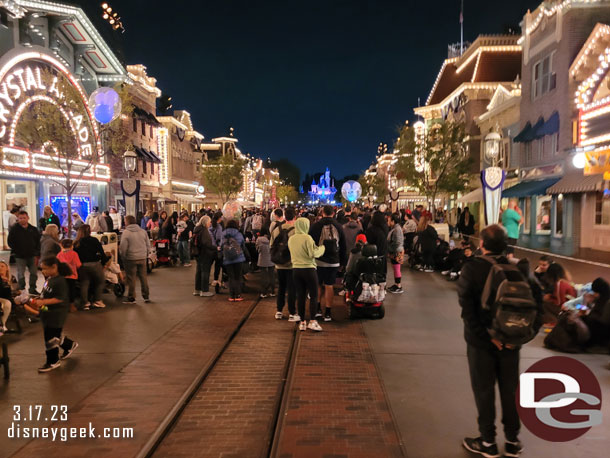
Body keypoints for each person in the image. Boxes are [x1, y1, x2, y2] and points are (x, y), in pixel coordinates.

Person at [458, 224, 542, 458]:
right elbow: (538, 305)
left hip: (481, 344)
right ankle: (513, 441)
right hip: (512, 343)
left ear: (482, 244)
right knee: (510, 389)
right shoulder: (521, 268)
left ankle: (487, 442)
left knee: (483, 391)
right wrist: (522, 336)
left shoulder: (472, 269)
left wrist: (488, 336)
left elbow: (468, 311)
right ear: (506, 245)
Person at [29, 257, 78, 372]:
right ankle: (69, 345)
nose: (43, 271)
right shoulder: (50, 279)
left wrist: (43, 302)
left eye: (45, 269)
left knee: (50, 337)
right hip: (47, 313)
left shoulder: (60, 281)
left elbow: (60, 298)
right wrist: (38, 300)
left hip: (56, 314)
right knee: (54, 334)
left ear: (54, 267)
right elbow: (46, 293)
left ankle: (53, 361)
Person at [309, 205, 347, 322]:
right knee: (329, 285)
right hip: (334, 261)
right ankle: (328, 312)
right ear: (333, 213)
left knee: (318, 284)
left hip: (319, 260)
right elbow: (343, 246)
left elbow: (311, 243)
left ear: (322, 212)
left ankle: (318, 309)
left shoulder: (316, 226)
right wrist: (342, 262)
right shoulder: (339, 226)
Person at [288, 217, 325, 331]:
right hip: (309, 269)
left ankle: (302, 322)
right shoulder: (307, 238)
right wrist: (322, 248)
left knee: (301, 296)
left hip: (296, 270)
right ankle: (312, 321)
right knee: (313, 295)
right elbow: (312, 253)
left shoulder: (291, 239)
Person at [271, 206, 298, 321]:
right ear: (295, 217)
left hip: (279, 264)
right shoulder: (296, 231)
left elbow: (271, 245)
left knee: (281, 288)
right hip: (292, 264)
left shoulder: (276, 229)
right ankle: (292, 312)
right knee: (292, 288)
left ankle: (279, 311)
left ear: (284, 217)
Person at [120, 215, 151, 304]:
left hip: (130, 258)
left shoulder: (126, 233)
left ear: (127, 222)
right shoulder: (143, 231)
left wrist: (123, 256)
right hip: (142, 257)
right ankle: (146, 296)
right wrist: (146, 254)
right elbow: (148, 244)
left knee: (131, 278)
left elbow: (123, 247)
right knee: (143, 277)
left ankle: (131, 297)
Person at [74, 225, 107, 310]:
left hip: (82, 265)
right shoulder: (94, 240)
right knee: (100, 281)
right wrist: (103, 263)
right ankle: (97, 300)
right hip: (94, 264)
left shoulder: (77, 242)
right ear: (89, 231)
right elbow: (102, 253)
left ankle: (85, 303)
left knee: (84, 283)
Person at [7, 210, 41, 294]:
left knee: (33, 273)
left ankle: (32, 289)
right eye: (20, 218)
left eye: (24, 218)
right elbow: (10, 241)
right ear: (18, 219)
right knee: (20, 273)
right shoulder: (14, 230)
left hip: (32, 255)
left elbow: (38, 241)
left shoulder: (33, 229)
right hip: (19, 256)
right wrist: (16, 250)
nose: (22, 220)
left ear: (28, 218)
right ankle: (21, 289)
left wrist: (37, 253)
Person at [222, 219, 248, 301]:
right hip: (238, 258)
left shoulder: (223, 233)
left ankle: (231, 296)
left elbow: (221, 245)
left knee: (231, 277)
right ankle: (238, 295)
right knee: (238, 277)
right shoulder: (238, 234)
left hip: (227, 258)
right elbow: (243, 246)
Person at [581, 278, 610, 348]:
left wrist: (587, 315)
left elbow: (604, 320)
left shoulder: (606, 301)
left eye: (596, 292)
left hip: (604, 330)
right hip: (603, 326)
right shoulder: (603, 298)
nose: (594, 294)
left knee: (586, 320)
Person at [192, 215, 216, 297]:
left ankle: (197, 290)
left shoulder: (196, 229)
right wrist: (215, 248)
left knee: (199, 272)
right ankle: (204, 290)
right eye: (209, 222)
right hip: (205, 254)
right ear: (205, 222)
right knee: (205, 272)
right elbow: (206, 244)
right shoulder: (204, 231)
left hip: (198, 254)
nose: (210, 224)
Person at [56, 239, 81, 313]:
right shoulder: (74, 254)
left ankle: (62, 306)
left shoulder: (59, 254)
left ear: (62, 245)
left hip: (62, 276)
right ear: (71, 246)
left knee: (63, 291)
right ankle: (71, 306)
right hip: (72, 276)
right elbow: (79, 265)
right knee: (71, 291)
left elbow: (57, 265)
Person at [387, 213, 404, 294]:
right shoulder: (396, 228)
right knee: (396, 268)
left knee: (397, 268)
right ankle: (396, 284)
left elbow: (396, 242)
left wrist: (390, 249)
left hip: (396, 251)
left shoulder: (397, 229)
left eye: (389, 221)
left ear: (393, 221)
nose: (388, 222)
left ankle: (398, 286)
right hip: (396, 250)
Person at [256, 227, 275, 298]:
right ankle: (273, 291)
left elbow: (257, 249)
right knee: (272, 275)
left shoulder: (259, 239)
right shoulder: (271, 238)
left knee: (263, 276)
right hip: (271, 259)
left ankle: (264, 293)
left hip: (262, 259)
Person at [0, 261, 17, 334]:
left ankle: (2, 324)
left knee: (8, 303)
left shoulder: (11, 277)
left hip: (9, 297)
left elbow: (16, 289)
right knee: (8, 303)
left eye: (2, 266)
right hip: (3, 297)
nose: (0, 268)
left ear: (7, 268)